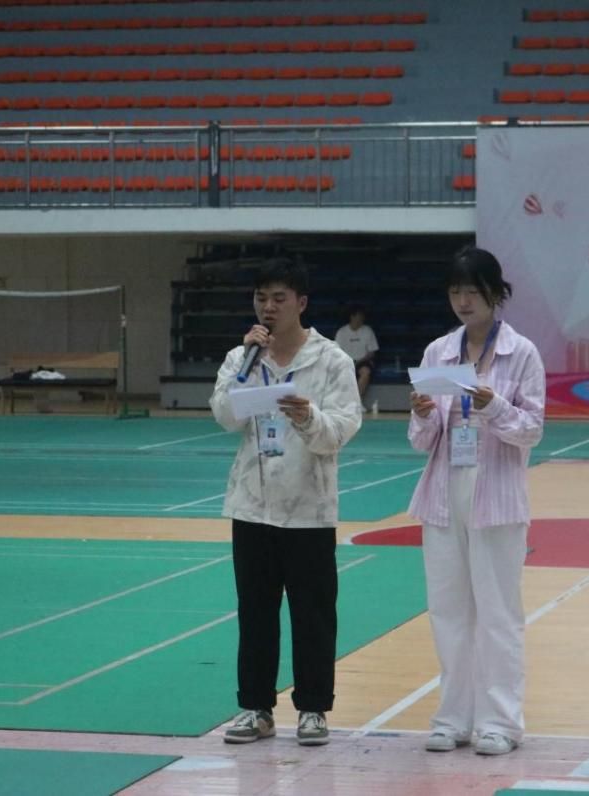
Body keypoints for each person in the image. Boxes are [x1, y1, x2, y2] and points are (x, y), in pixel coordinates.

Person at [210, 258, 363, 747]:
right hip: (252, 506)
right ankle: (256, 707)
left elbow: (341, 430)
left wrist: (308, 416)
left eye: (279, 298)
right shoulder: (242, 357)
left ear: (302, 302)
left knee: (312, 614)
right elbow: (225, 416)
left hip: (309, 510)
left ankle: (313, 709)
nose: (269, 307)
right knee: (255, 612)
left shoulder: (331, 360)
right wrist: (245, 365)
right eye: (262, 298)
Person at [406, 246, 546, 756]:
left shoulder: (521, 353)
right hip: (444, 495)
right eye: (455, 291)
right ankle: (453, 719)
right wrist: (423, 413)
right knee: (448, 611)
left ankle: (501, 723)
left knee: (498, 614)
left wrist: (494, 405)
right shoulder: (438, 352)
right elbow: (421, 441)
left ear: (495, 293)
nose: (463, 301)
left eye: (473, 291)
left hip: (497, 497)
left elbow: (531, 430)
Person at [334, 304, 379, 408]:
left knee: (365, 372)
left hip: (363, 361)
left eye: (362, 316)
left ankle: (356, 403)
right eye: (359, 316)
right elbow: (336, 351)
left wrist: (358, 361)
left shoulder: (368, 331)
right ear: (352, 317)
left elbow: (371, 352)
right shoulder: (341, 332)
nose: (361, 318)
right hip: (345, 362)